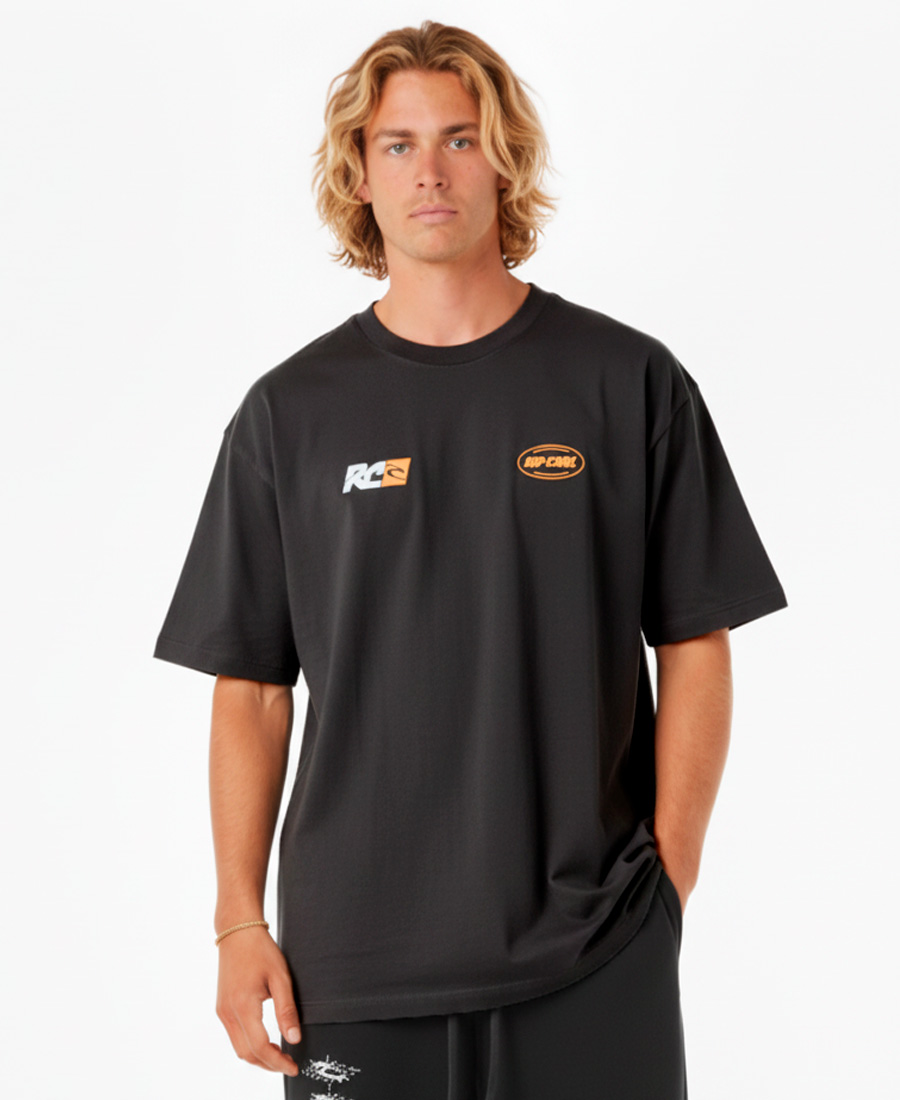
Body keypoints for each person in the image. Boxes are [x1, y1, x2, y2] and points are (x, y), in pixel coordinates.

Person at [153, 20, 787, 1099]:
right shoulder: (289, 413)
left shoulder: (627, 381)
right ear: (359, 174)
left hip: (594, 949)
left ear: (505, 158)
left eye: (459, 137)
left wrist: (667, 888)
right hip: (348, 969)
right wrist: (237, 921)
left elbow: (696, 637)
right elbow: (252, 686)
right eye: (397, 144)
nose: (430, 171)